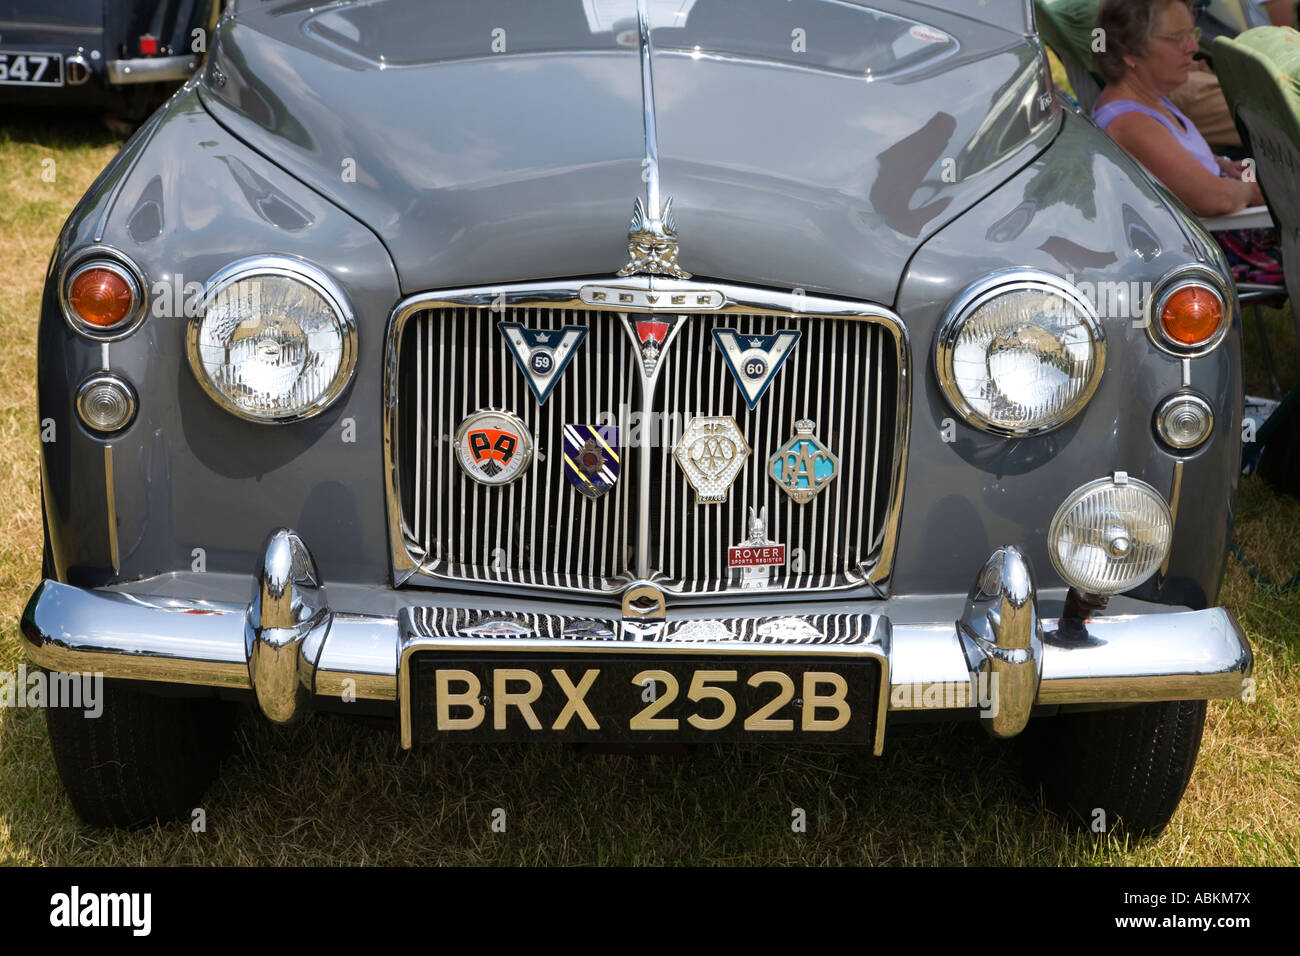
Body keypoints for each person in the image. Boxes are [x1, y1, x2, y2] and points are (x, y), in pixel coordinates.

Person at [1093, 0, 1283, 284]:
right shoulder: (1131, 124)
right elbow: (1217, 199)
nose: (1193, 48)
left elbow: (1173, 168)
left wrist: (1221, 165)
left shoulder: (1151, 101)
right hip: (1211, 255)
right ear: (1129, 52)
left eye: (1191, 35)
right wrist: (1256, 190)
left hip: (1223, 234)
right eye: (1177, 38)